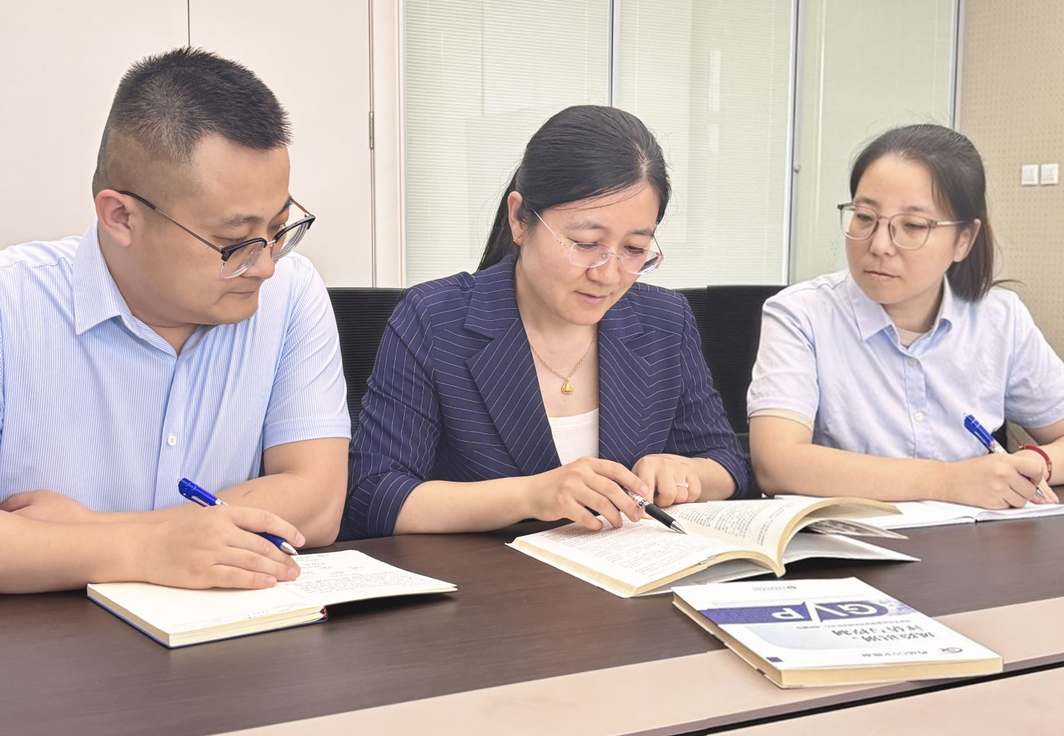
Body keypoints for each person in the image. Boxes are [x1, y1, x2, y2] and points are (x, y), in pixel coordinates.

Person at [0, 48, 351, 594]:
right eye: (234, 242)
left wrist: (84, 538)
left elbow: (319, 503)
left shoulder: (292, 292)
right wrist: (143, 549)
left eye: (279, 228)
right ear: (121, 217)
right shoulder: (12, 303)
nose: (264, 266)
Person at [343, 105, 751, 540]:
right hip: (491, 579)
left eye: (634, 249)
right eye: (586, 243)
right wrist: (531, 495)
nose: (608, 274)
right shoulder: (434, 320)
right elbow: (371, 495)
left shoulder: (664, 321)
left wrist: (686, 472)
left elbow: (728, 464)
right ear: (519, 219)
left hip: (632, 576)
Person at [748, 123, 1064, 509]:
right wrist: (948, 481)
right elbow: (777, 463)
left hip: (975, 539)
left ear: (964, 239)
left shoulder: (1000, 318)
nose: (879, 245)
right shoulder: (802, 315)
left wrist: (1037, 463)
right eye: (865, 217)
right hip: (854, 538)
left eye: (912, 226)